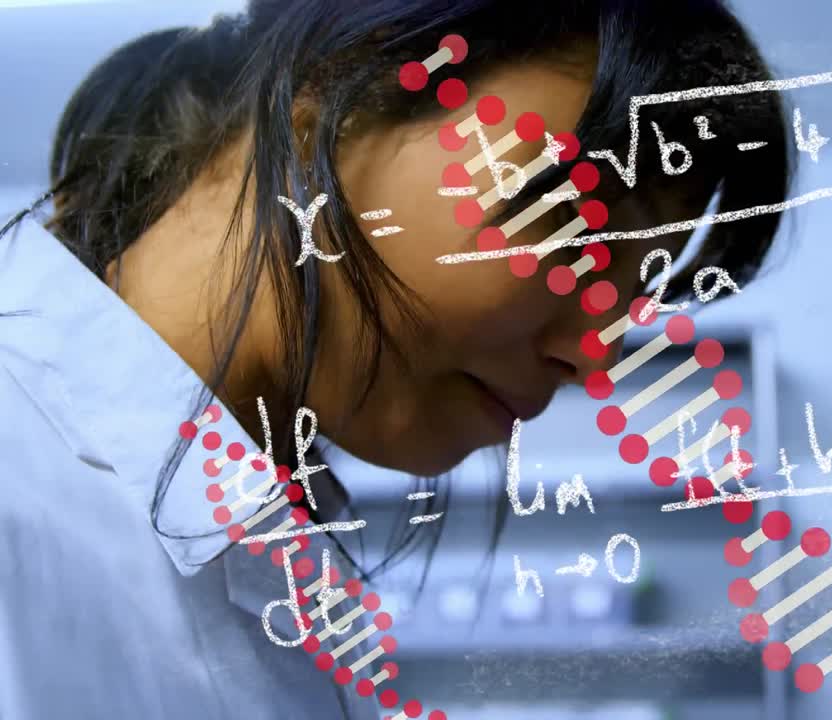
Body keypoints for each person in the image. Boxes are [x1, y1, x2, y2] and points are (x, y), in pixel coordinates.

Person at [0, 1, 791, 717]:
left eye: (638, 286)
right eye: (577, 226)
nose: (593, 358)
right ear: (336, 88)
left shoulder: (289, 566)